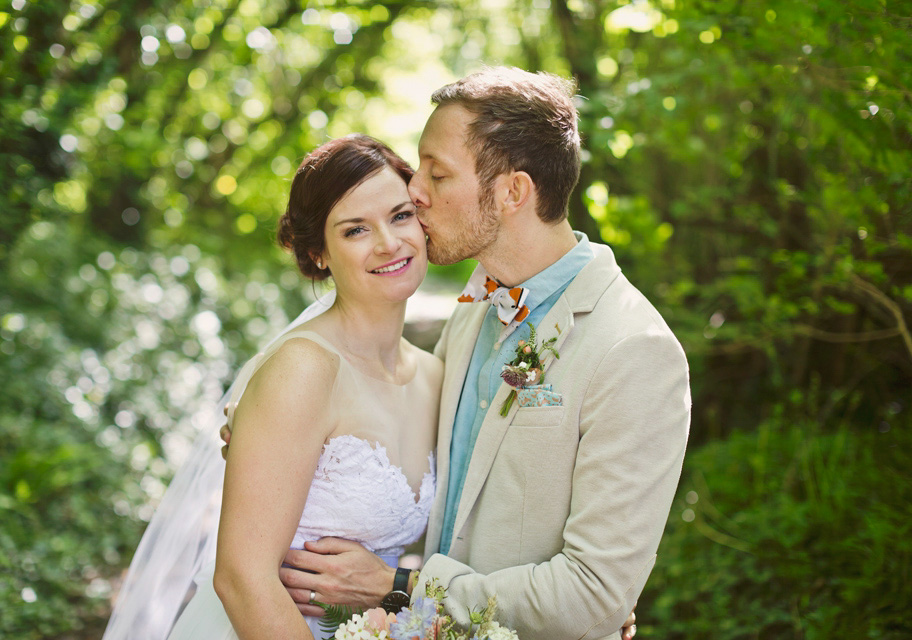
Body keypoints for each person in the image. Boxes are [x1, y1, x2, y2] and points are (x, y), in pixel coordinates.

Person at [230, 67, 691, 640]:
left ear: (512, 193)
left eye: (437, 173)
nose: (414, 190)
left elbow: (591, 593)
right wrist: (272, 438)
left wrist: (400, 585)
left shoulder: (633, 350)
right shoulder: (474, 310)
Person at [103, 134, 443, 640]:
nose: (389, 243)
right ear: (318, 254)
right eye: (355, 230)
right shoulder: (303, 369)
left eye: (399, 216)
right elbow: (241, 579)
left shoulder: (434, 377)